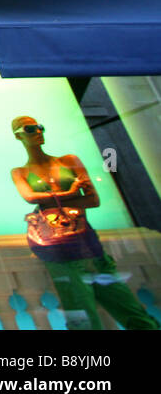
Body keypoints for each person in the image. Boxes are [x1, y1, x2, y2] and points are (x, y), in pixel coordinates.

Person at [10, 115, 158, 330]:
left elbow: (92, 199)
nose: (39, 131)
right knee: (82, 317)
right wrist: (70, 191)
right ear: (19, 135)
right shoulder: (20, 172)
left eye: (40, 127)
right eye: (31, 129)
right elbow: (30, 197)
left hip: (87, 245)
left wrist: (51, 199)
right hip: (59, 251)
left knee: (131, 311)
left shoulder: (68, 161)